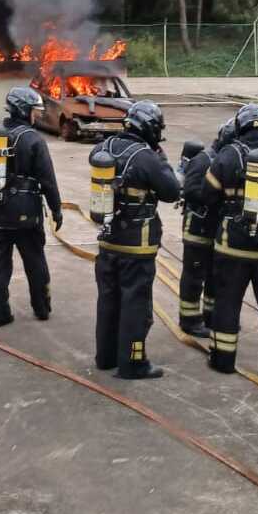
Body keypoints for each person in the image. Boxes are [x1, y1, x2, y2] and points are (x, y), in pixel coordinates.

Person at [201, 103, 258, 375]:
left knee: (227, 302)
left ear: (239, 128)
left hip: (231, 246)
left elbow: (207, 195)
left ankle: (222, 360)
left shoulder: (227, 156)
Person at [91, 101, 180, 379]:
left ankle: (105, 357)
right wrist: (161, 158)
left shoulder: (103, 148)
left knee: (108, 299)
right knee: (136, 304)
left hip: (108, 239)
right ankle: (133, 363)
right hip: (137, 243)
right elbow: (171, 191)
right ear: (150, 128)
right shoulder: (146, 157)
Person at [0, 86, 63, 327]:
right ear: (23, 110)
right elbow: (48, 179)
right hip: (26, 215)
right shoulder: (33, 139)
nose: (36, 116)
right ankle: (41, 308)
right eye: (34, 111)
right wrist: (56, 208)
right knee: (35, 261)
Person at [178, 118, 236, 338]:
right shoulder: (203, 160)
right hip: (197, 230)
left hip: (216, 231)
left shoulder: (225, 161)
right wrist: (216, 195)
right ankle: (189, 320)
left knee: (215, 275)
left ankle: (211, 317)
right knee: (194, 275)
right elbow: (191, 190)